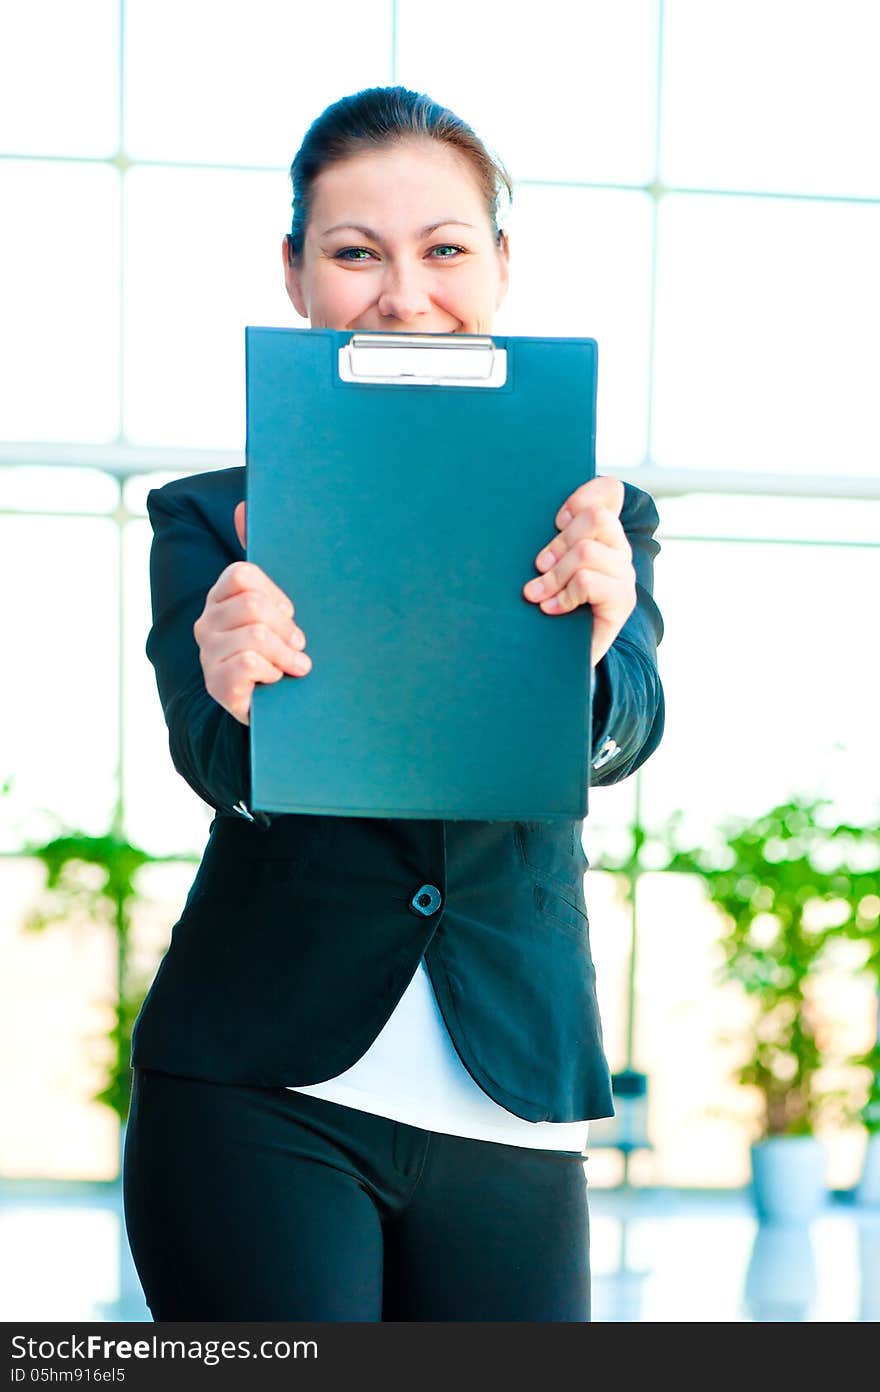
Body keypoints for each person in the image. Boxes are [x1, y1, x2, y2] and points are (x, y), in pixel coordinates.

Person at [122, 85, 665, 1323]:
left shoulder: (598, 520)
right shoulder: (209, 518)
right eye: (355, 253)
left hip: (510, 1089)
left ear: (501, 267)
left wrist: (595, 646)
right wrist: (237, 689)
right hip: (255, 1090)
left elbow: (627, 733)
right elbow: (212, 760)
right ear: (297, 275)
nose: (405, 295)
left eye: (445, 249)